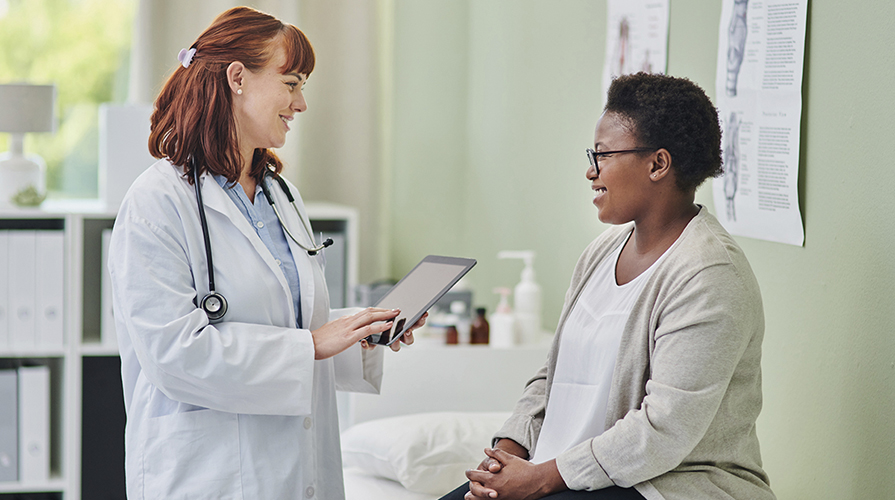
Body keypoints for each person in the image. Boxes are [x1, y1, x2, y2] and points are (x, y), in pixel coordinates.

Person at [107, 7, 422, 499]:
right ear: (237, 78)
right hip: (207, 475)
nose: (301, 104)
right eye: (292, 83)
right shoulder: (157, 201)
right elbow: (174, 354)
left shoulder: (282, 195)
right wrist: (313, 345)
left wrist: (356, 331)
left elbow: (289, 326)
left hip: (297, 470)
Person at [441, 73, 775, 500]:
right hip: (572, 472)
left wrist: (541, 477)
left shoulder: (709, 275)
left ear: (658, 164)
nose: (590, 171)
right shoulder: (601, 252)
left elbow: (663, 430)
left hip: (665, 485)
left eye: (603, 155)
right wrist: (504, 458)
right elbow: (551, 375)